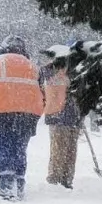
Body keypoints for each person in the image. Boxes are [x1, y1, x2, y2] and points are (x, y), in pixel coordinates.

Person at [0, 35, 45, 201]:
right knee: (19, 148)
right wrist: (35, 113)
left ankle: (5, 186)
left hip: (0, 112)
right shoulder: (33, 66)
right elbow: (43, 93)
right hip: (27, 115)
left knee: (2, 146)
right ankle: (19, 184)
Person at [41, 50, 85, 189]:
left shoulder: (76, 73)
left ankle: (66, 180)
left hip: (72, 116)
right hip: (58, 115)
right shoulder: (51, 70)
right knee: (60, 150)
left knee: (70, 151)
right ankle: (55, 179)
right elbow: (44, 75)